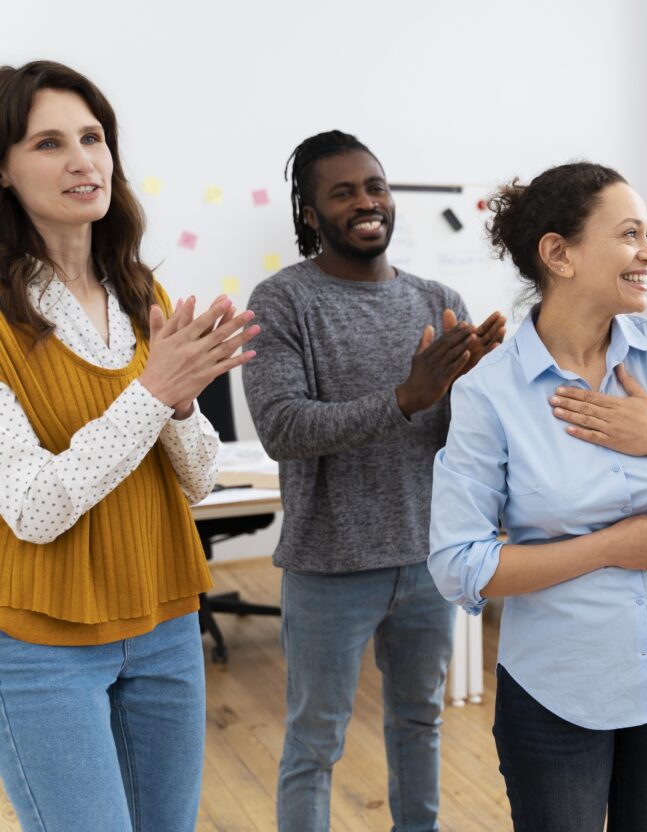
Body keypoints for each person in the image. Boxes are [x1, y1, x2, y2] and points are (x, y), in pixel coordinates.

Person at [427, 161, 647, 831]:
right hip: (557, 693)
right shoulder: (489, 391)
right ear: (559, 254)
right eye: (629, 235)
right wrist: (609, 548)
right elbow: (458, 563)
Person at [0, 61, 259, 831]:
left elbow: (201, 478)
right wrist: (152, 393)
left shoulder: (141, 293)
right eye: (49, 143)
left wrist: (179, 401)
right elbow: (34, 507)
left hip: (165, 621)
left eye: (93, 137)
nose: (83, 160)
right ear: (3, 170)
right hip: (41, 641)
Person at [242, 130, 504, 832]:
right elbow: (283, 428)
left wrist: (481, 390)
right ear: (310, 214)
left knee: (420, 721)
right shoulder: (281, 302)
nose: (366, 202)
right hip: (329, 566)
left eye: (375, 186)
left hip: (428, 558)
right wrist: (406, 398)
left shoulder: (438, 298)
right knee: (315, 742)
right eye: (343, 192)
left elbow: (465, 440)